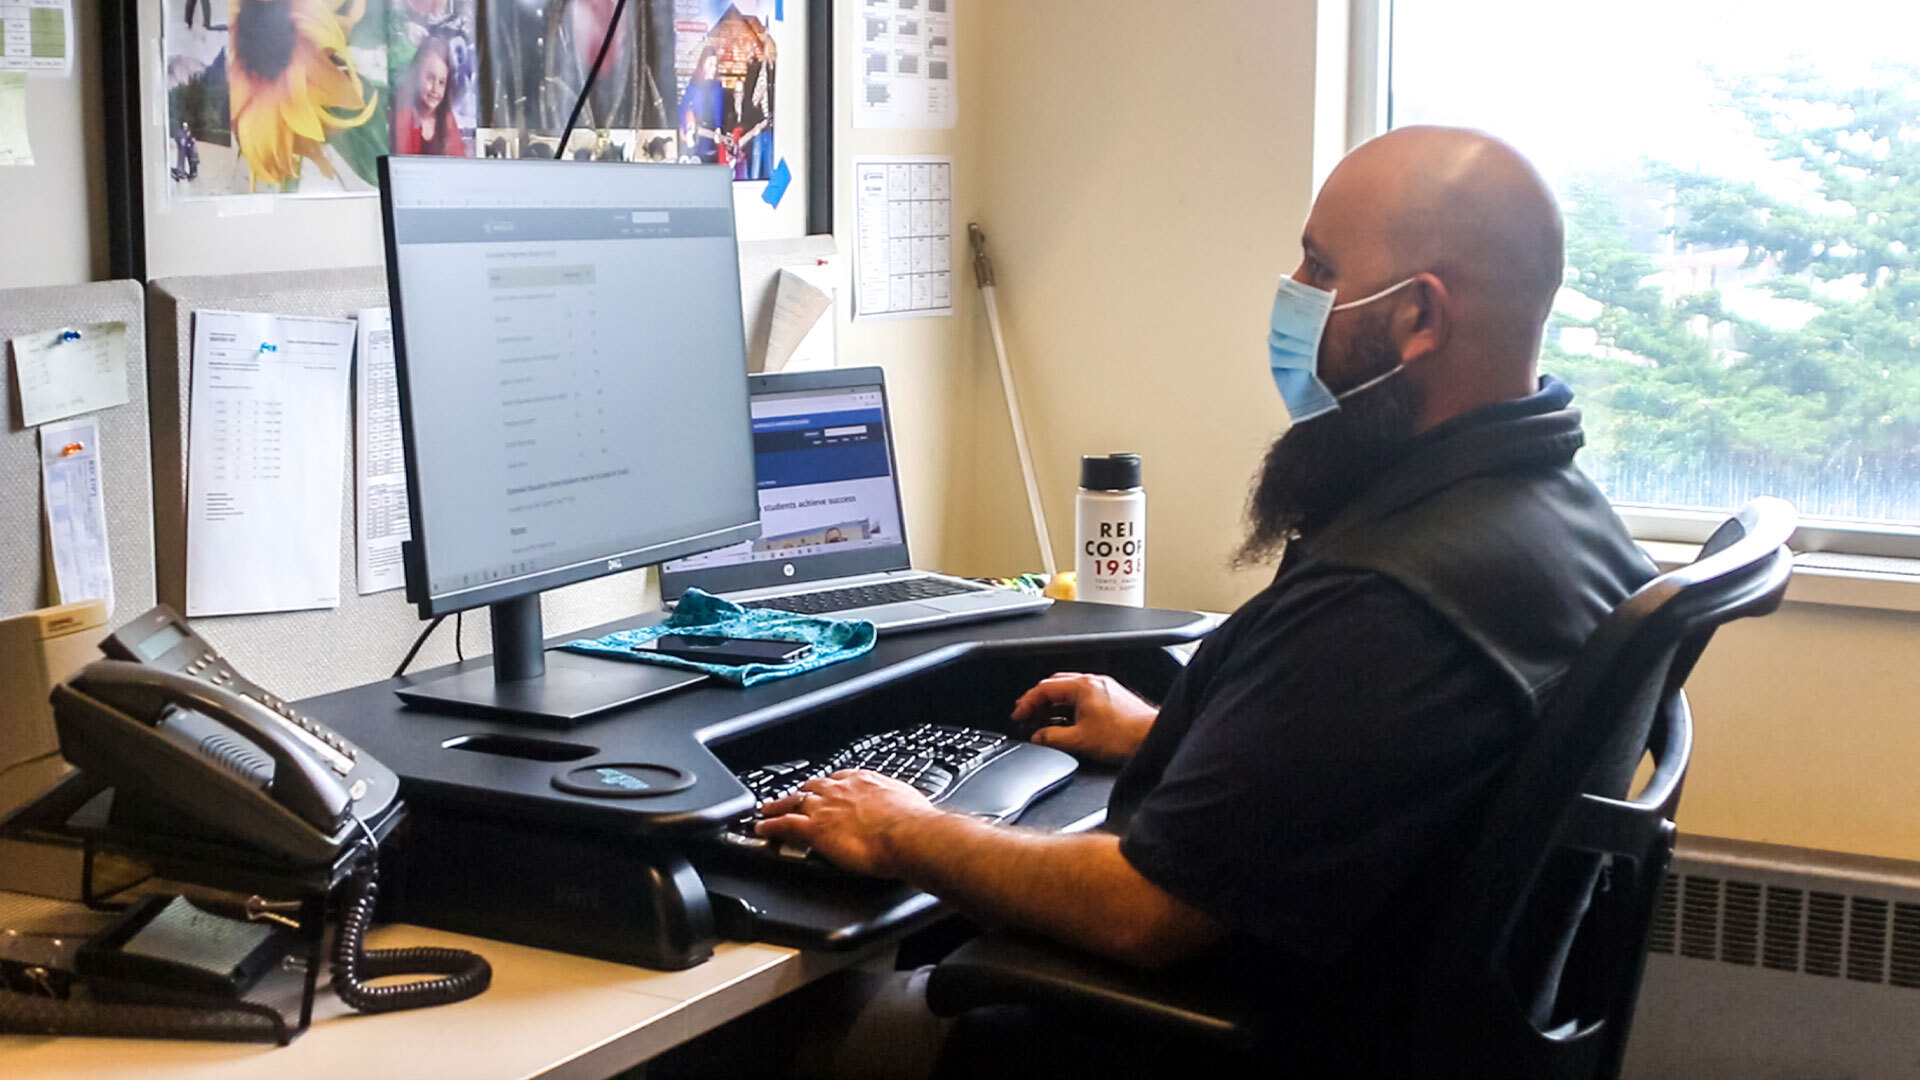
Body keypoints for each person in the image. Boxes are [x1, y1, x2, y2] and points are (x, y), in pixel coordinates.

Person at [739, 126, 1656, 1079]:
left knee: (782, 1036)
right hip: (1364, 1011)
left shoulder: (1395, 598)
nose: (1292, 291)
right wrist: (1168, 735)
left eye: (1319, 264)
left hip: (1232, 1037)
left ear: (1419, 319)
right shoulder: (1558, 520)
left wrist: (906, 827)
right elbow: (1390, 771)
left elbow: (1141, 912)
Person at [393, 37, 465, 157]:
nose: (435, 89)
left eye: (441, 82)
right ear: (416, 75)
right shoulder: (404, 117)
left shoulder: (448, 122)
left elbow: (460, 163)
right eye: (430, 78)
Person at [678, 47, 725, 164]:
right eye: (710, 64)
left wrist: (718, 129)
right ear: (703, 64)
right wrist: (685, 130)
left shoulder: (718, 88)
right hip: (695, 138)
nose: (713, 68)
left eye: (715, 64)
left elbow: (719, 112)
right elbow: (683, 109)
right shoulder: (694, 87)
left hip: (710, 138)